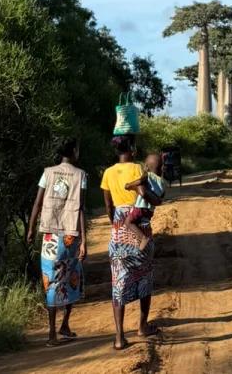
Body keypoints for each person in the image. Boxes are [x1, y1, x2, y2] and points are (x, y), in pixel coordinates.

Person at [27, 138, 87, 344]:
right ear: (73, 151)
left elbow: (37, 203)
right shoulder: (81, 176)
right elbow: (81, 210)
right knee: (71, 277)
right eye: (77, 149)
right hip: (71, 235)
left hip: (50, 235)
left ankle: (52, 332)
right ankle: (64, 324)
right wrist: (84, 241)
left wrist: (30, 228)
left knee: (52, 281)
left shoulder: (48, 172)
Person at [101, 134, 157, 350]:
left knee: (118, 281)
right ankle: (142, 326)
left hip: (118, 226)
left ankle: (119, 336)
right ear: (132, 149)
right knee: (144, 275)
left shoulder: (107, 173)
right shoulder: (138, 170)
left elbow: (108, 206)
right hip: (138, 224)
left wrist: (115, 224)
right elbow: (146, 195)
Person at [122, 151, 167, 251]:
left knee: (128, 222)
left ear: (146, 167)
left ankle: (143, 238)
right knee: (139, 222)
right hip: (149, 211)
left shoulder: (148, 176)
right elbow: (161, 198)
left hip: (140, 207)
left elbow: (139, 181)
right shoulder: (163, 182)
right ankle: (145, 240)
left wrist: (129, 185)